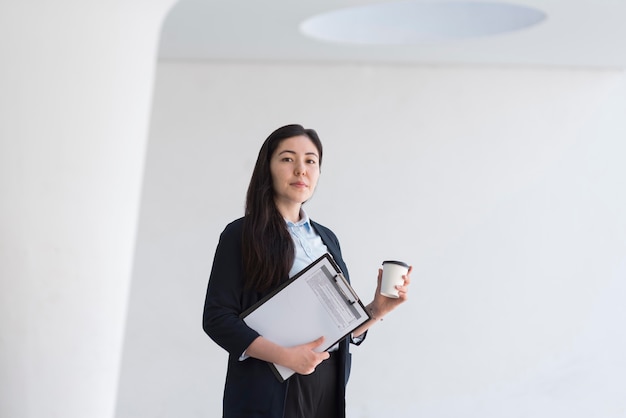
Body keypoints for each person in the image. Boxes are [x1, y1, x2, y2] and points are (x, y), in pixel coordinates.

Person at [203, 124, 411, 418]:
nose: (301, 169)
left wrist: (376, 310)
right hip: (271, 386)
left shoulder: (327, 238)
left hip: (326, 385)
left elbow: (332, 329)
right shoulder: (241, 234)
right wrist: (287, 357)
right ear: (268, 168)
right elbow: (217, 318)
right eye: (288, 159)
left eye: (311, 161)